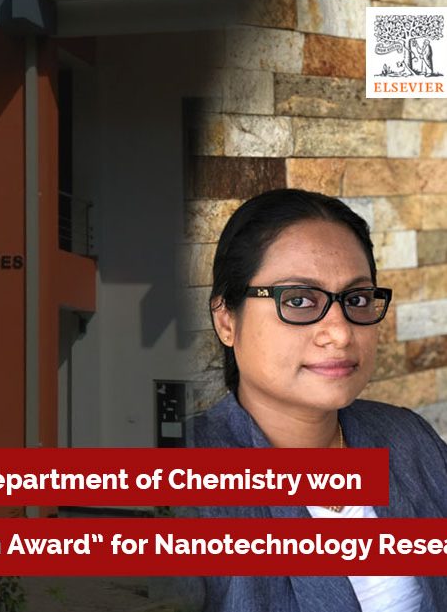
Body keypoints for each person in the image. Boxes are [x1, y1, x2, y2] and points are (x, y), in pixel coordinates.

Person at [188, 189, 447, 612]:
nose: (341, 333)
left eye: (357, 300)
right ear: (226, 320)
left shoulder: (407, 438)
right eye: (299, 301)